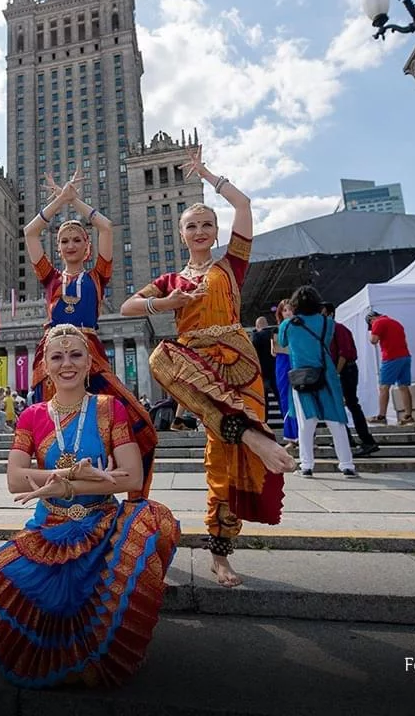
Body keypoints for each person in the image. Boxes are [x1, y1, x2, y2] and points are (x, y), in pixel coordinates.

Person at [0, 324, 179, 688]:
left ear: (90, 361)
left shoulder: (111, 409)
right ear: (44, 365)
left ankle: (99, 651)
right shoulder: (31, 416)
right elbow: (15, 479)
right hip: (49, 530)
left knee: (157, 519)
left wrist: (61, 484)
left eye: (75, 355)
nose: (67, 364)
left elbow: (131, 478)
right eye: (57, 357)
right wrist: (77, 475)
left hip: (102, 526)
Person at [120, 147, 296, 588]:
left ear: (215, 232)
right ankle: (253, 434)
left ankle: (221, 556)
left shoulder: (231, 266)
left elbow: (244, 205)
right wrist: (166, 303)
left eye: (205, 225)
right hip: (193, 362)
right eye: (191, 226)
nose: (199, 231)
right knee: (162, 356)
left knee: (226, 460)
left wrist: (207, 175)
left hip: (238, 363)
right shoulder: (171, 280)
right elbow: (127, 306)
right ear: (182, 235)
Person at [24, 171, 159, 497]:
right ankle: (54, 497)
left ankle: (133, 498)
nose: (71, 245)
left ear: (88, 248)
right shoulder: (50, 278)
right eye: (64, 241)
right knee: (51, 425)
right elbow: (30, 232)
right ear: (58, 249)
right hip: (53, 354)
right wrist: (60, 201)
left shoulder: (98, 275)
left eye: (78, 240)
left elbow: (107, 227)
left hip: (91, 353)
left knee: (138, 420)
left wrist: (75, 201)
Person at [278, 286, 357, 478]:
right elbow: (328, 340)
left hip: (301, 375)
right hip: (326, 373)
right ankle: (347, 464)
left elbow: (283, 342)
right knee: (336, 421)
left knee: (306, 422)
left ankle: (307, 465)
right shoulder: (326, 322)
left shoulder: (287, 325)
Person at [321, 302, 379, 456]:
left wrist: (337, 372)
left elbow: (345, 353)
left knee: (352, 404)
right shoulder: (327, 331)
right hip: (338, 370)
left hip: (346, 370)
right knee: (337, 405)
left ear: (330, 314)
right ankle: (346, 438)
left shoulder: (338, 329)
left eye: (323, 313)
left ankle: (367, 441)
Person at [366, 311, 415, 426]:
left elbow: (374, 340)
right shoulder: (396, 322)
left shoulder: (378, 322)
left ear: (371, 319)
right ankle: (408, 415)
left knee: (384, 387)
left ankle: (382, 416)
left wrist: (372, 333)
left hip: (391, 357)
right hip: (405, 356)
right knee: (403, 386)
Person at [271, 299, 299, 449]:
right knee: (286, 399)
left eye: (290, 309)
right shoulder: (278, 329)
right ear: (280, 313)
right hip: (283, 364)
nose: (288, 313)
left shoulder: (301, 327)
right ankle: (291, 437)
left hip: (298, 362)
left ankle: (305, 437)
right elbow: (274, 351)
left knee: (301, 399)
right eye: (285, 310)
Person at [252, 315, 277, 411]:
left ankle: (265, 422)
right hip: (274, 371)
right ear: (266, 324)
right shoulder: (273, 335)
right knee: (280, 398)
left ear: (257, 326)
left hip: (262, 373)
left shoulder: (256, 338)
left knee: (264, 401)